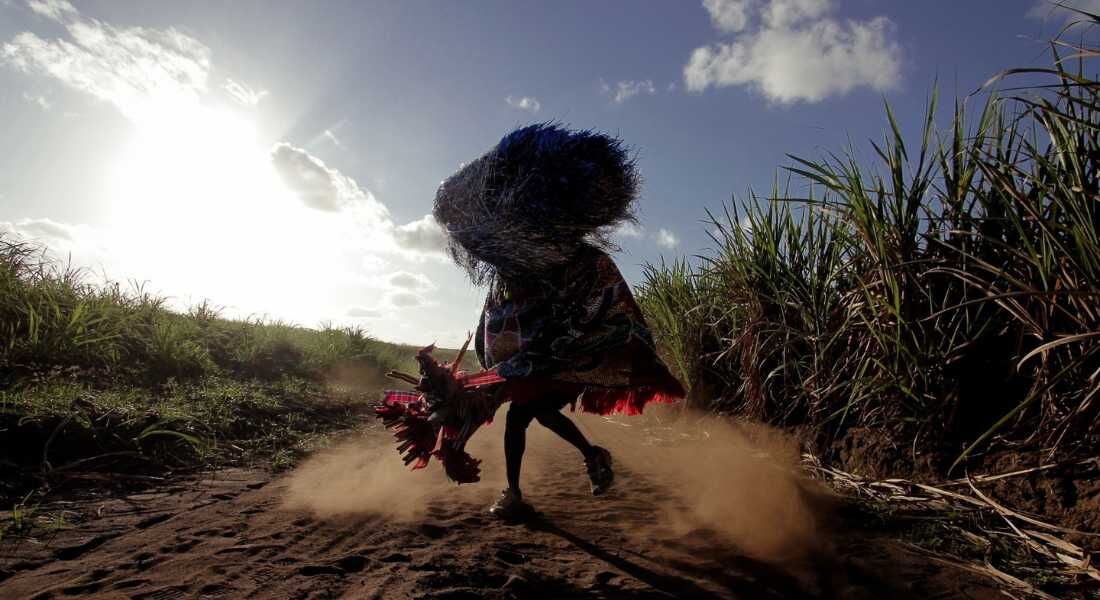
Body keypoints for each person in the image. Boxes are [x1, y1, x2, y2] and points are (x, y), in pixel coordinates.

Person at [431, 124, 686, 519]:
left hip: (570, 356)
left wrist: (561, 340)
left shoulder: (587, 264)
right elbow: (495, 320)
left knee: (520, 416)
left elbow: (606, 312)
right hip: (532, 361)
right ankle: (588, 458)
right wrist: (492, 365)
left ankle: (518, 492)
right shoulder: (512, 272)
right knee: (530, 414)